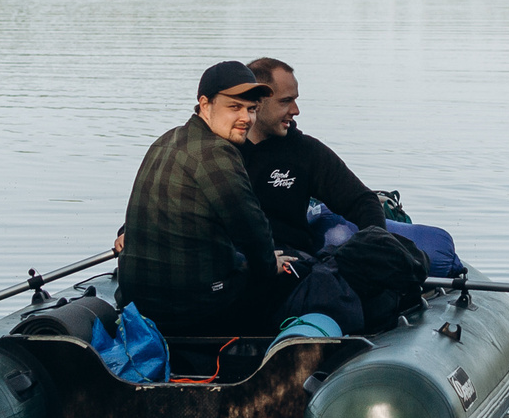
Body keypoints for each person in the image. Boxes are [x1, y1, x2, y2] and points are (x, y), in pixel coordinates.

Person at [116, 61, 300, 335]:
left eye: (251, 109)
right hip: (193, 311)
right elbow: (251, 229)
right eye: (234, 107)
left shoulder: (166, 140)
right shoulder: (216, 152)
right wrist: (269, 264)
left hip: (135, 303)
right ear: (205, 104)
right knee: (296, 273)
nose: (246, 119)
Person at [239, 56, 388, 254]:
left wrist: (378, 247)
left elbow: (362, 201)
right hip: (235, 264)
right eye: (285, 101)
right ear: (256, 102)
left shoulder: (305, 151)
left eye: (295, 100)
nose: (296, 110)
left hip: (291, 262)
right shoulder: (220, 150)